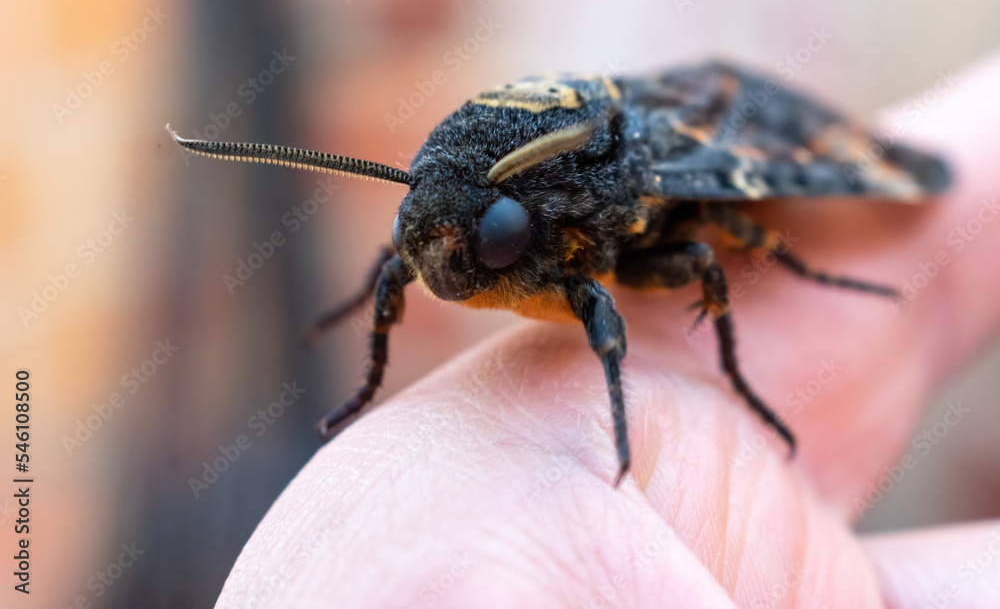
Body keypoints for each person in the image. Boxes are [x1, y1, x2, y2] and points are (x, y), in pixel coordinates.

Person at [216, 53, 1000, 608]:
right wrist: (371, 356)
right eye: (422, 232)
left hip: (685, 129)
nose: (445, 265)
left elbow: (701, 258)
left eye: (474, 243)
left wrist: (720, 362)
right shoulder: (459, 212)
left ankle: (775, 310)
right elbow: (421, 246)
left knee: (705, 250)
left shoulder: (619, 184)